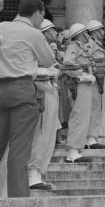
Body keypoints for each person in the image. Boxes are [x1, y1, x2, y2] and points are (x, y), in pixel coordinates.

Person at [0, 0, 55, 198]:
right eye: (42, 16)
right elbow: (49, 60)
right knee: (19, 149)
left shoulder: (0, 28)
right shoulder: (33, 33)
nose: (42, 20)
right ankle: (18, 201)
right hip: (22, 89)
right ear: (38, 12)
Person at [26, 19, 62, 190]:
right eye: (51, 30)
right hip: (40, 92)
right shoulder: (35, 48)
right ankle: (33, 174)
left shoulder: (47, 49)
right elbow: (35, 72)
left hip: (49, 90)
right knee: (39, 134)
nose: (55, 33)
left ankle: (37, 173)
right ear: (43, 32)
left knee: (48, 136)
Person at [61, 23, 99, 162]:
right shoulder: (74, 46)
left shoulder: (81, 47)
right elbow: (67, 63)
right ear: (81, 33)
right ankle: (72, 150)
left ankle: (76, 149)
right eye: (85, 32)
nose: (87, 35)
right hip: (80, 83)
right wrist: (80, 75)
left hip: (86, 82)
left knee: (83, 116)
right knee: (79, 115)